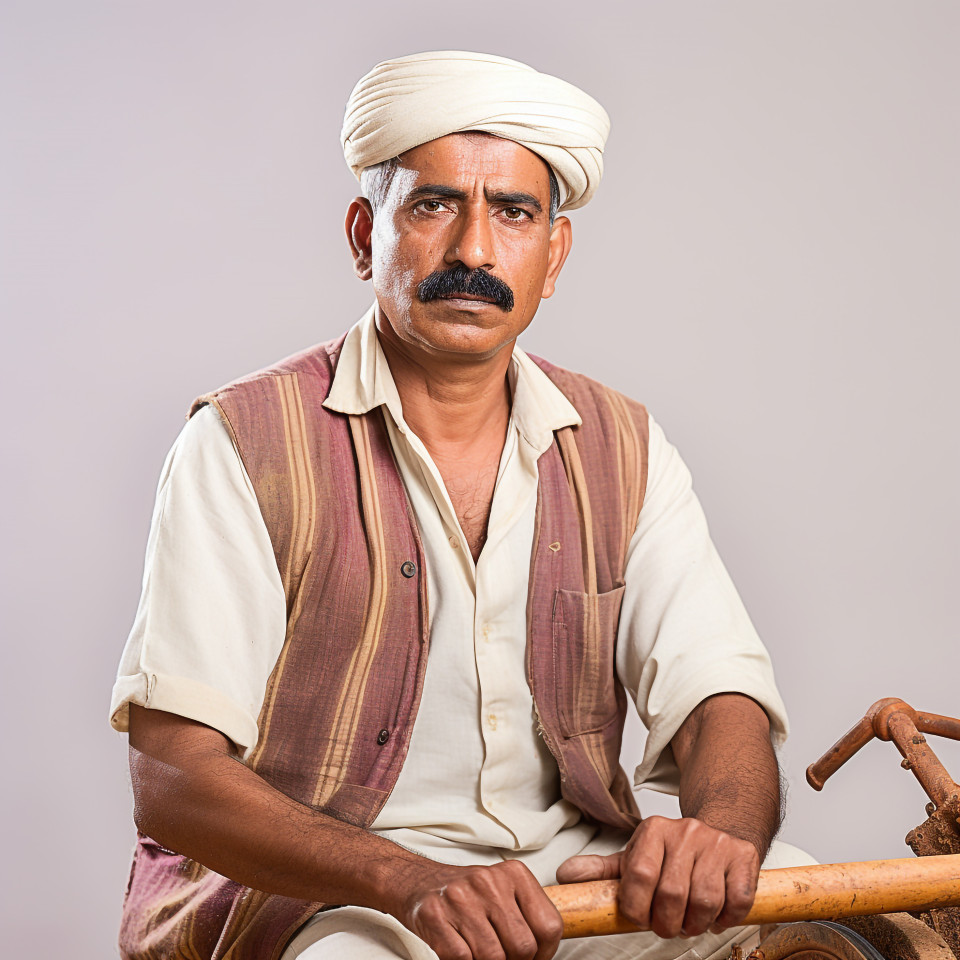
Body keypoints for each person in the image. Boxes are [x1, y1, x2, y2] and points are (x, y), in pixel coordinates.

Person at [110, 51, 812, 960]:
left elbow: (721, 694)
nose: (474, 251)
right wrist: (405, 879)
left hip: (571, 888)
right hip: (337, 902)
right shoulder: (244, 444)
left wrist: (721, 831)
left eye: (513, 213)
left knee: (794, 900)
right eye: (434, 205)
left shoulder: (622, 445)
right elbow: (173, 775)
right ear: (365, 235)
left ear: (553, 255)